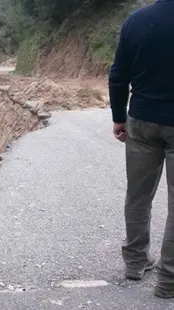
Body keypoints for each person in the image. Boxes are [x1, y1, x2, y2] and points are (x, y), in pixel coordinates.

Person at [109, 0, 174, 299]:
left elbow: (119, 73)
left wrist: (119, 118)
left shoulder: (136, 20)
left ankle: (135, 263)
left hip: (142, 120)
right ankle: (169, 282)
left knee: (137, 196)